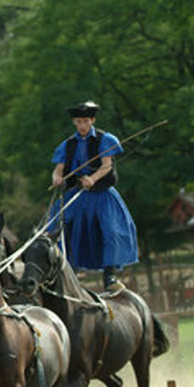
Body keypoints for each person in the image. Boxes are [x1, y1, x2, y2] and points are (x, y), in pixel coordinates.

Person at [48, 101, 138, 292]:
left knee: (111, 232)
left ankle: (110, 276)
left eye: (86, 121)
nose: (82, 126)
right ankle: (64, 275)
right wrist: (57, 179)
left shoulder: (105, 140)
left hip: (102, 195)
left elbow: (107, 166)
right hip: (77, 196)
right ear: (74, 122)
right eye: (79, 122)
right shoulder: (67, 145)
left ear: (92, 120)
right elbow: (58, 170)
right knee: (58, 230)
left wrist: (93, 179)